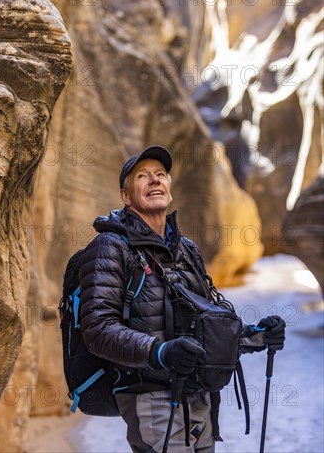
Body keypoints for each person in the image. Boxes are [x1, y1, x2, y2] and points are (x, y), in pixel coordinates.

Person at [79, 145, 286, 453]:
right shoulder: (110, 247)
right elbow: (97, 329)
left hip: (198, 396)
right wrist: (160, 352)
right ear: (125, 196)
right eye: (142, 176)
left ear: (170, 190)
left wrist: (256, 337)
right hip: (150, 397)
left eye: (161, 175)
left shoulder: (186, 250)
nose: (154, 181)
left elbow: (207, 329)